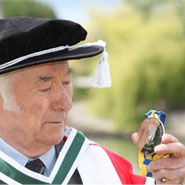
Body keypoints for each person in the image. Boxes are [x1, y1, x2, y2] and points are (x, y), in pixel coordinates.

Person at [0, 17, 184, 185]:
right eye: (45, 88)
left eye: (66, 82)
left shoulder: (104, 166)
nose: (66, 103)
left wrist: (167, 180)